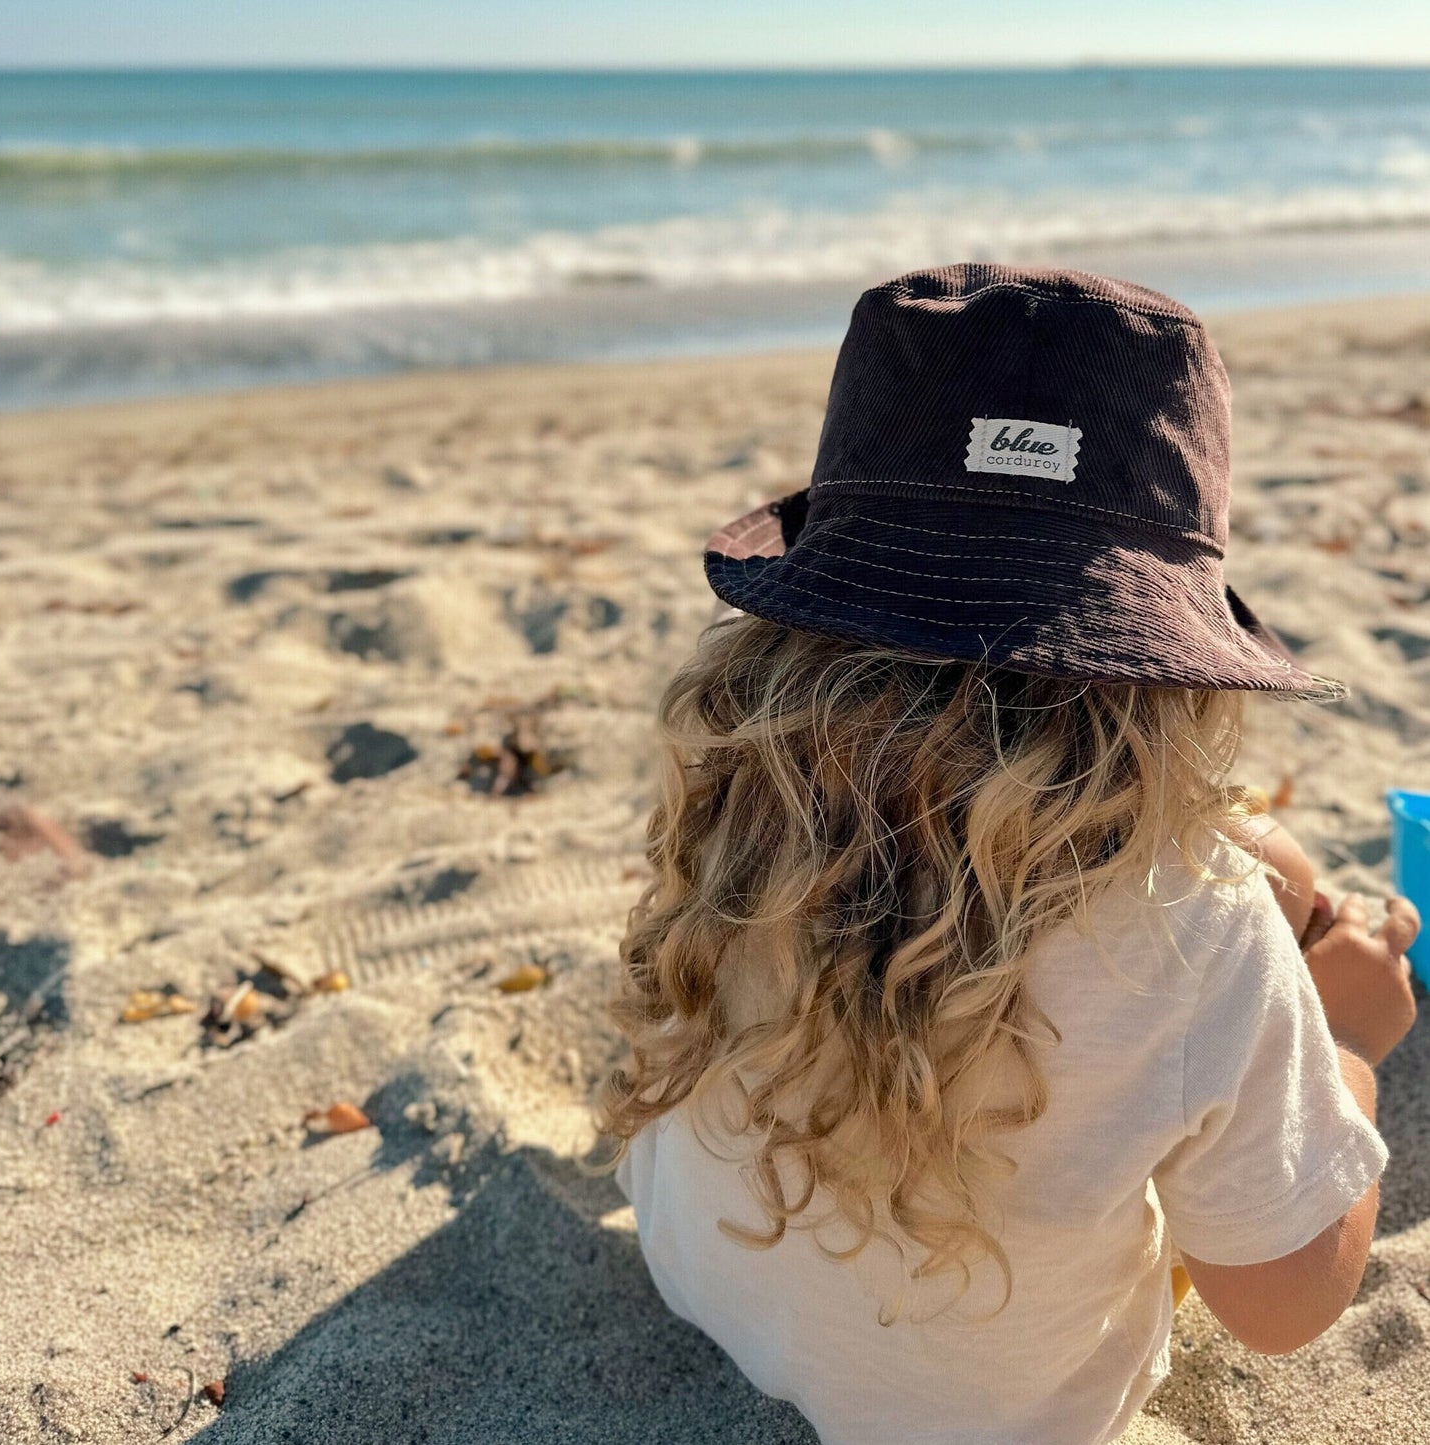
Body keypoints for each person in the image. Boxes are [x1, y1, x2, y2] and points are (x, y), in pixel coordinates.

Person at [598, 266, 1420, 1445]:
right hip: (984, 1414)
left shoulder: (733, 781)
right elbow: (1282, 1308)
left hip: (697, 1274)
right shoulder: (1192, 929)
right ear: (1165, 662)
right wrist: (1343, 1041)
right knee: (1238, 972)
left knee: (1239, 866)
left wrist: (1263, 882)